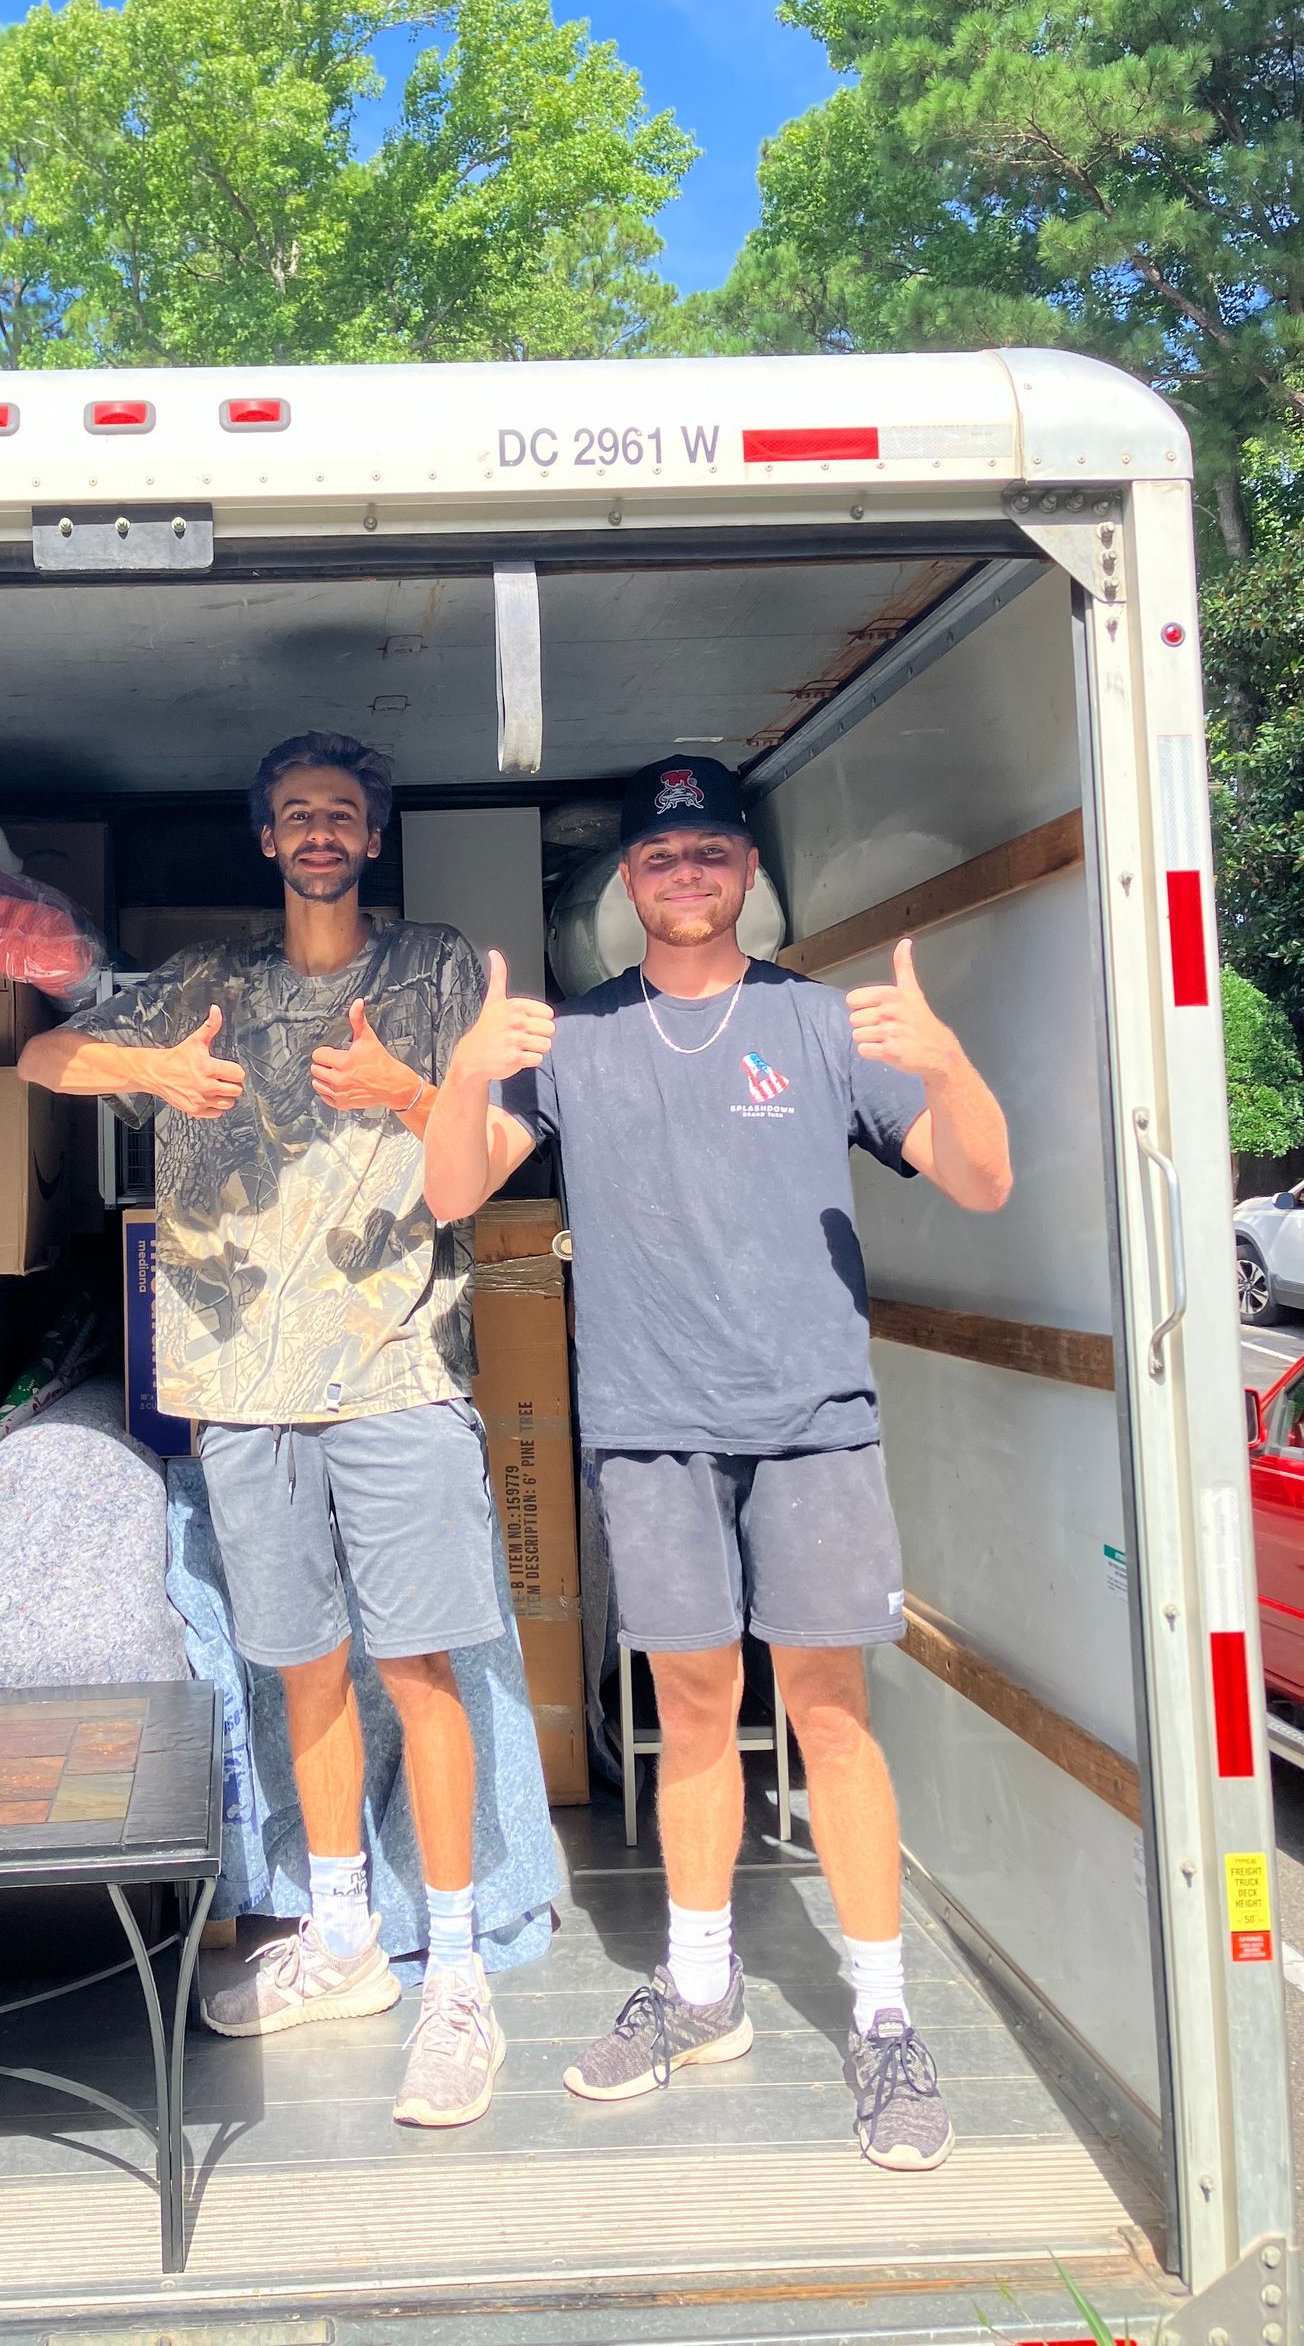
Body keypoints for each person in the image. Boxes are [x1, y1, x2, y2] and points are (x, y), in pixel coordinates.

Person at [422, 751, 1012, 2172]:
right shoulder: (575, 1041)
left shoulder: (822, 1026)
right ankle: (702, 1992)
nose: (685, 875)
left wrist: (945, 1061)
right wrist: (458, 1073)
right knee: (693, 1708)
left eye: (710, 852)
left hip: (809, 1417)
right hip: (650, 1424)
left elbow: (985, 1179)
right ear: (630, 882)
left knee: (827, 1711)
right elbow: (448, 1190)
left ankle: (880, 2023)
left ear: (746, 869)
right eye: (659, 856)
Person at [18, 731, 511, 2128]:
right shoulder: (202, 988)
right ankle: (344, 1939)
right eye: (295, 813)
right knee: (303, 1667)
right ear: (265, 838)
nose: (316, 832)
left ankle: (460, 1977)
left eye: (340, 814)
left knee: (422, 1669)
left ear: (372, 837)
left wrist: (412, 1095)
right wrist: (156, 1075)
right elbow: (42, 1057)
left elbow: (486, 1147)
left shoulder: (435, 971)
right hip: (240, 1383)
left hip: (396, 1370)